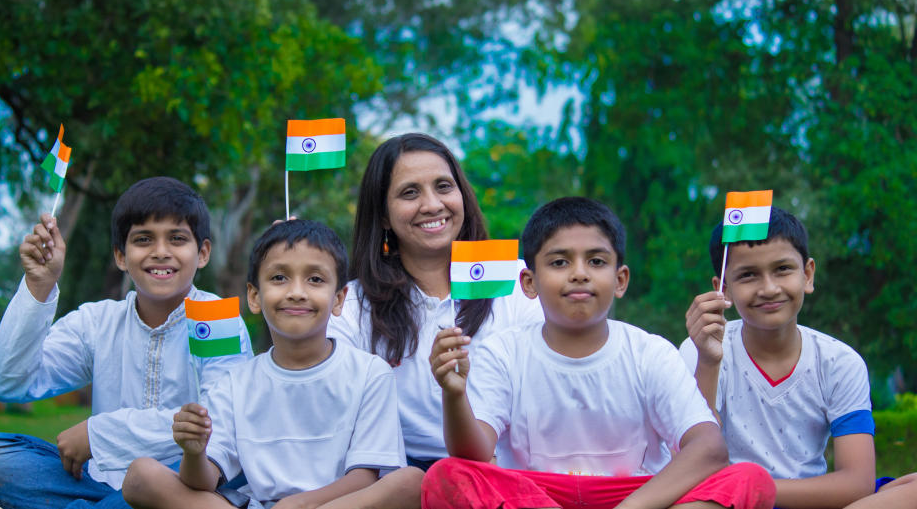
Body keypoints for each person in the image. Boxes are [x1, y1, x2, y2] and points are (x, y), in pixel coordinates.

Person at [423, 197, 776, 509]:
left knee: (748, 480)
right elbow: (474, 455)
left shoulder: (649, 352)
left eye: (595, 261)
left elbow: (709, 448)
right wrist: (454, 395)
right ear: (529, 283)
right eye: (559, 263)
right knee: (446, 476)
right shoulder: (504, 351)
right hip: (535, 496)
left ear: (620, 279)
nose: (579, 274)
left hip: (636, 494)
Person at [0, 177, 254, 509]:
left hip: (182, 484)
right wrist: (38, 286)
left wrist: (100, 434)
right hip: (99, 481)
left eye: (176, 238)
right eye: (143, 239)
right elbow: (5, 384)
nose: (160, 252)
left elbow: (216, 423)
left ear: (202, 253)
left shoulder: (215, 318)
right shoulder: (97, 322)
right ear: (121, 256)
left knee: (160, 486)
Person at [321, 133, 543, 509]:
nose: (432, 204)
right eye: (409, 193)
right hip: (395, 488)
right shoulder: (351, 305)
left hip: (505, 480)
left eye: (444, 186)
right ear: (383, 215)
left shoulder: (516, 282)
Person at [121, 219, 405, 509]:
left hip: (334, 505)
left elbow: (365, 478)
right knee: (141, 475)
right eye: (279, 278)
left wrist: (299, 505)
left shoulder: (370, 373)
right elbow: (204, 482)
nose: (297, 291)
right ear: (255, 297)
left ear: (339, 298)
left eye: (315, 279)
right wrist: (194, 452)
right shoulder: (235, 383)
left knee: (410, 481)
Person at [680, 206, 917, 509]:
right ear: (722, 289)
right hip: (729, 503)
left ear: (807, 274)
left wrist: (755, 487)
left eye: (782, 269)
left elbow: (857, 481)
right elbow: (692, 464)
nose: (768, 288)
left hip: (808, 500)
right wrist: (709, 364)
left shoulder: (839, 362)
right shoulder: (699, 350)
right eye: (748, 275)